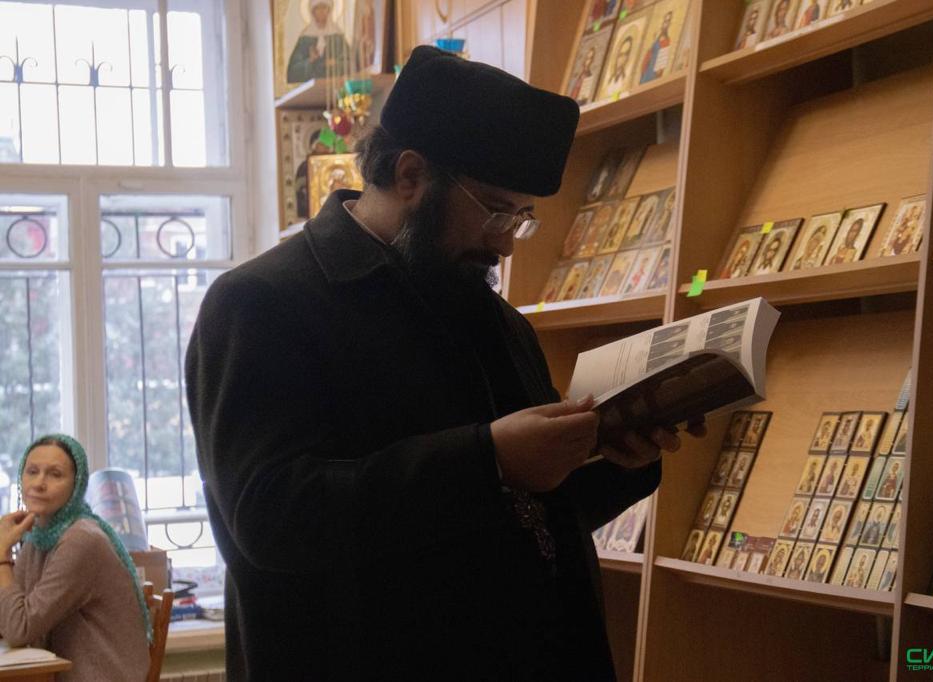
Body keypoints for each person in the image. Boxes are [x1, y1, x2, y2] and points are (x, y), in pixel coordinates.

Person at [187, 46, 699, 680]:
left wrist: (619, 460)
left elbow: (531, 519)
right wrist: (488, 459)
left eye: (522, 218)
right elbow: (270, 518)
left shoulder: (492, 316)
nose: (506, 242)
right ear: (410, 175)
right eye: (496, 211)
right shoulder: (260, 303)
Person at [0, 435, 150, 681]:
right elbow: (9, 615)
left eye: (55, 474)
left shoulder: (82, 540)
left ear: (76, 486)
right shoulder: (39, 533)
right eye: (32, 471)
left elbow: (20, 629)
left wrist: (2, 555)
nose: (39, 483)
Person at [287, 0, 351, 83]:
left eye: (324, 7)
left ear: (329, 10)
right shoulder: (305, 38)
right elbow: (292, 71)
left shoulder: (338, 36)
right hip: (312, 88)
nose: (321, 11)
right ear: (312, 12)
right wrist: (310, 60)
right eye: (317, 8)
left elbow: (350, 63)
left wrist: (335, 63)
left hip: (335, 84)